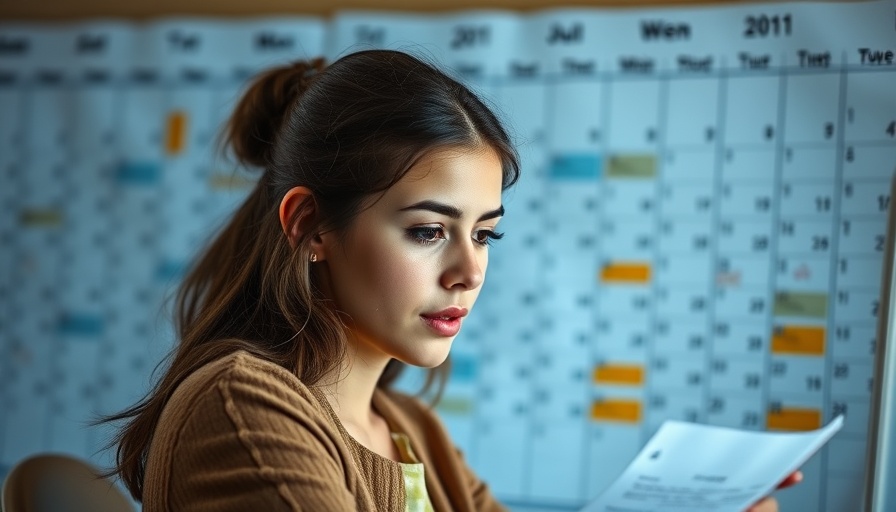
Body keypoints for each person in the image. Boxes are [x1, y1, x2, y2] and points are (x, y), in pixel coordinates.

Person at [104, 49, 799, 511]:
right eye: (429, 231)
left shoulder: (411, 429)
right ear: (312, 227)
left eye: (485, 233)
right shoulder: (242, 408)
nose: (470, 271)